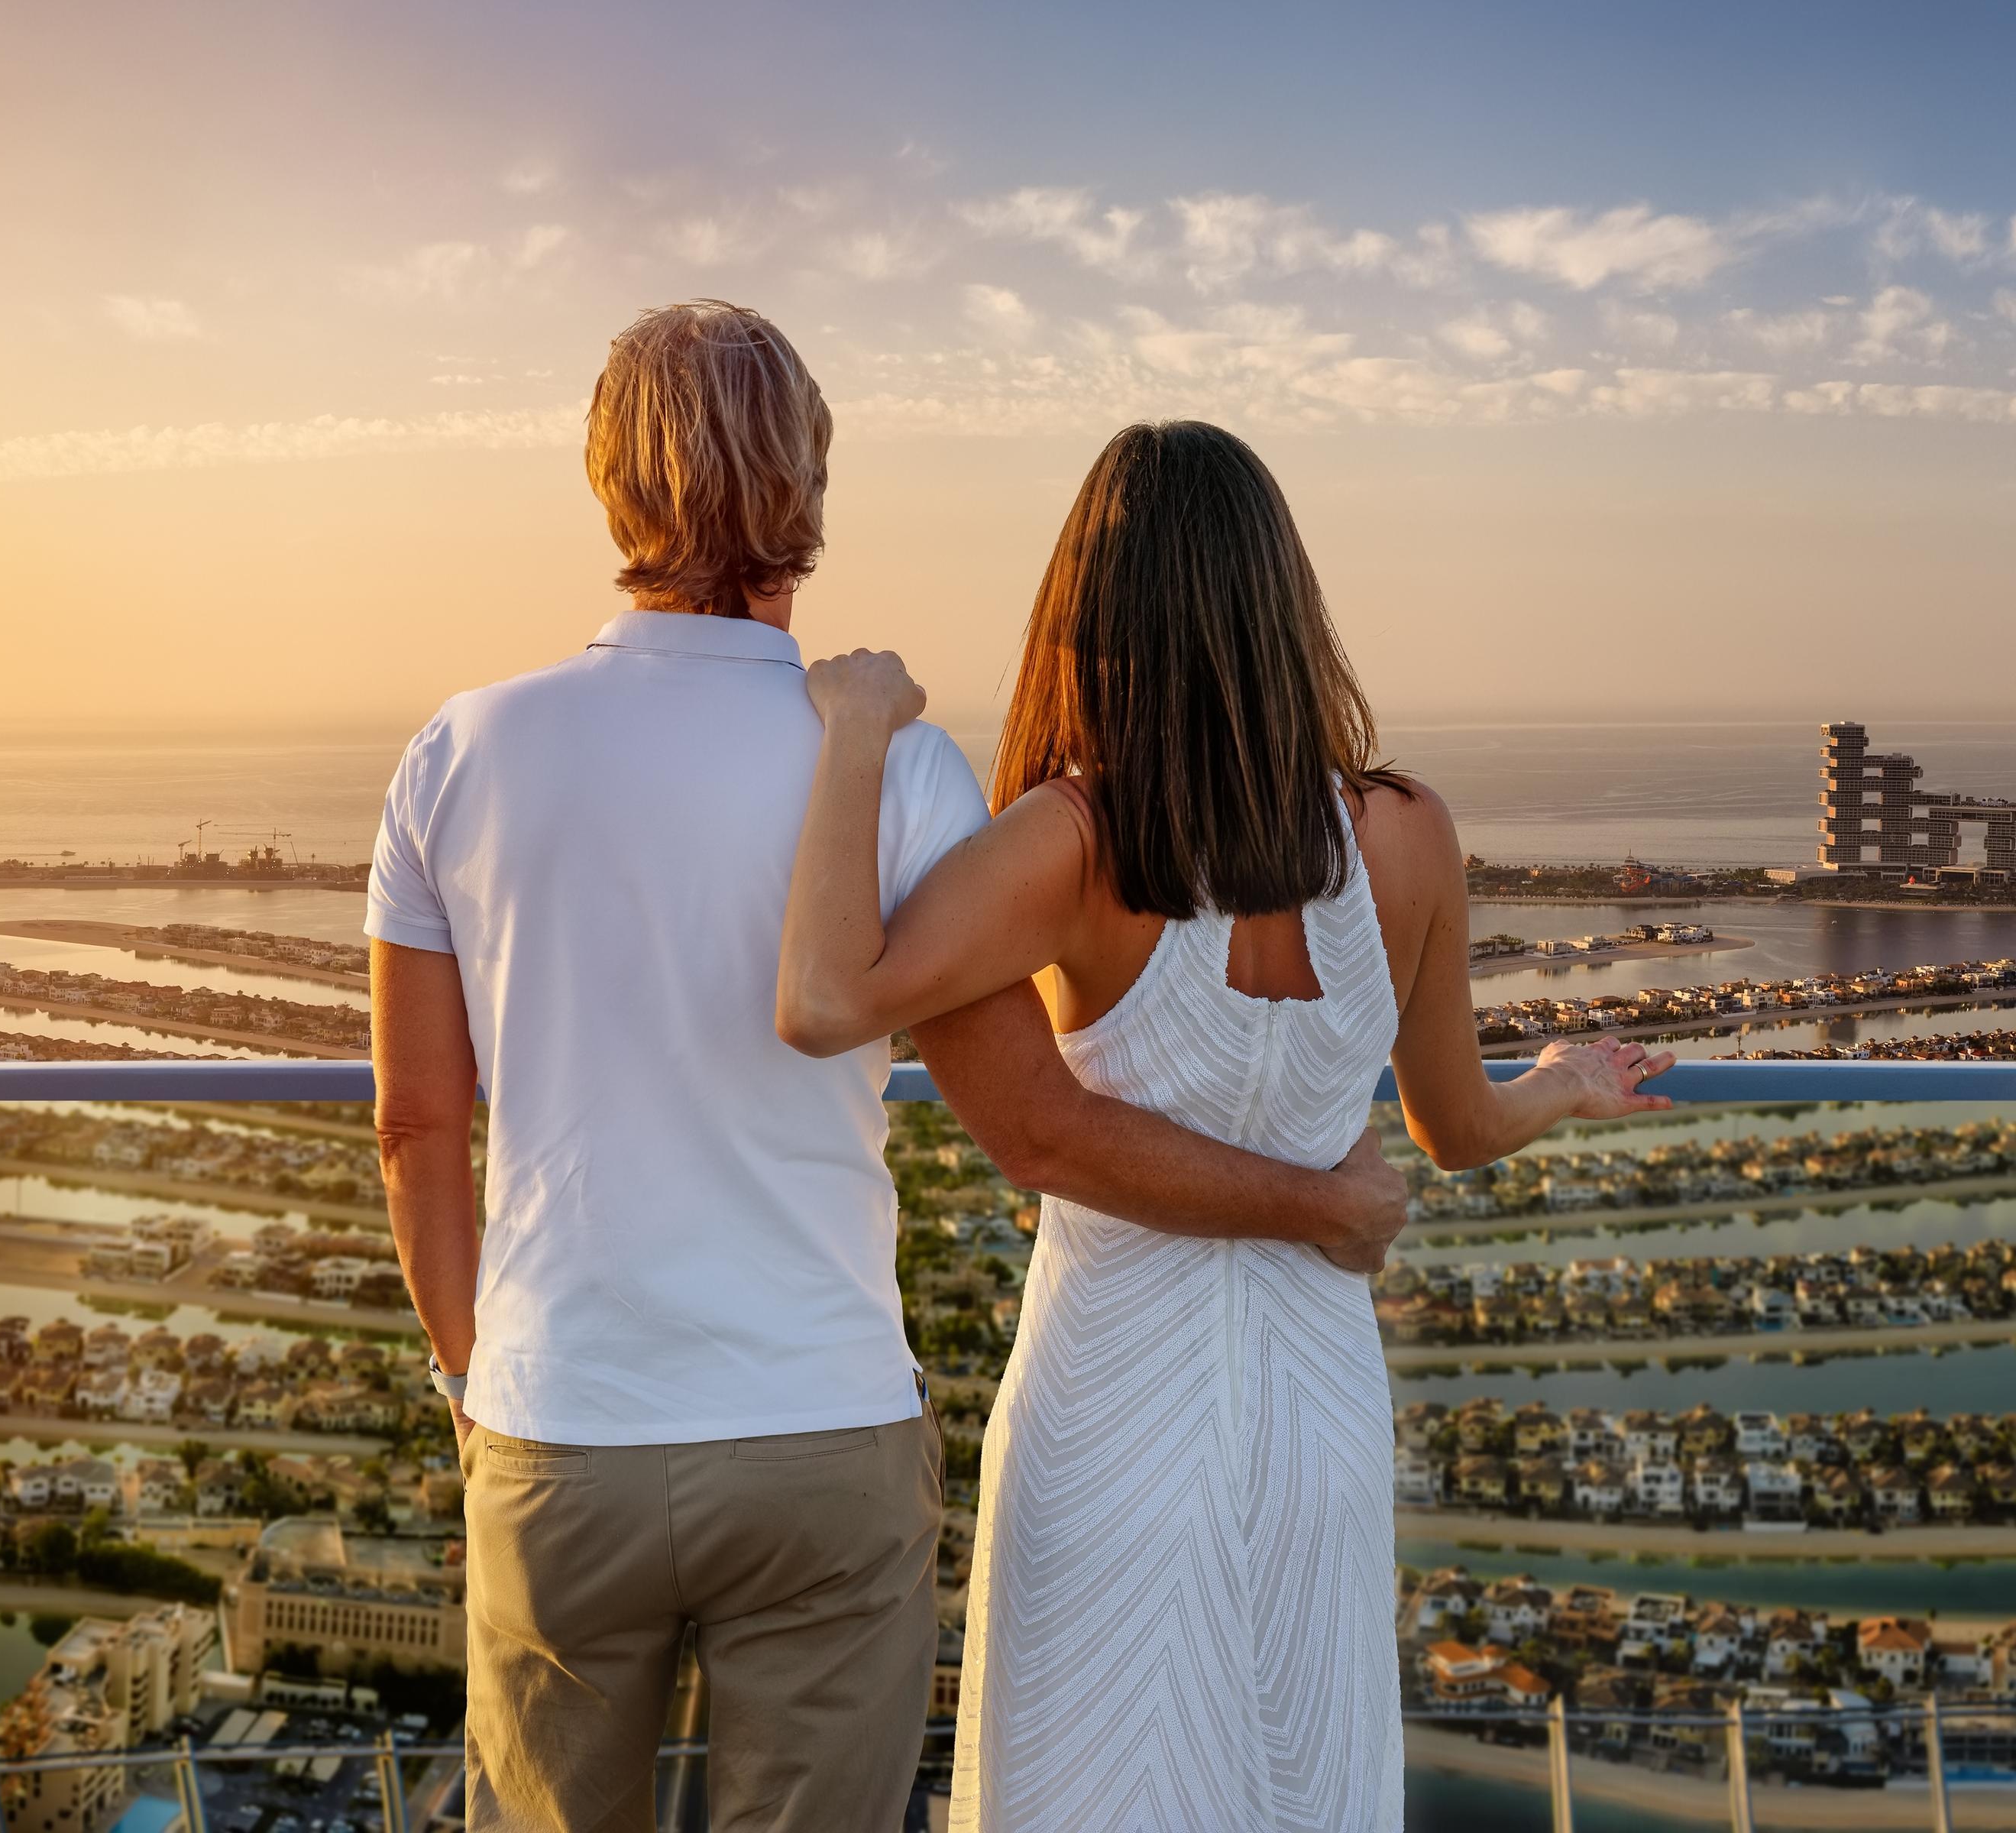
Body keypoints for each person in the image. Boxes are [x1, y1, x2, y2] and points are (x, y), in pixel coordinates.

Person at [367, 309, 1412, 1833]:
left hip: (564, 1426)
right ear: (807, 483)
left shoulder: (459, 754)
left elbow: (415, 1124)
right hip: (820, 1427)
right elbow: (1040, 1127)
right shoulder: (902, 770)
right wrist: (1317, 1193)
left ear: (607, 483)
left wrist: (475, 1371)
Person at [775, 419, 1677, 1833]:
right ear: (1283, 602)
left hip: (1110, 1409)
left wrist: (849, 737)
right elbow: (1448, 1126)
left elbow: (830, 995)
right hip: (1317, 1414)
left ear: (1088, 609)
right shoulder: (1405, 833)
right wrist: (1560, 1080)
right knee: (1302, 1779)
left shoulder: (1079, 840)